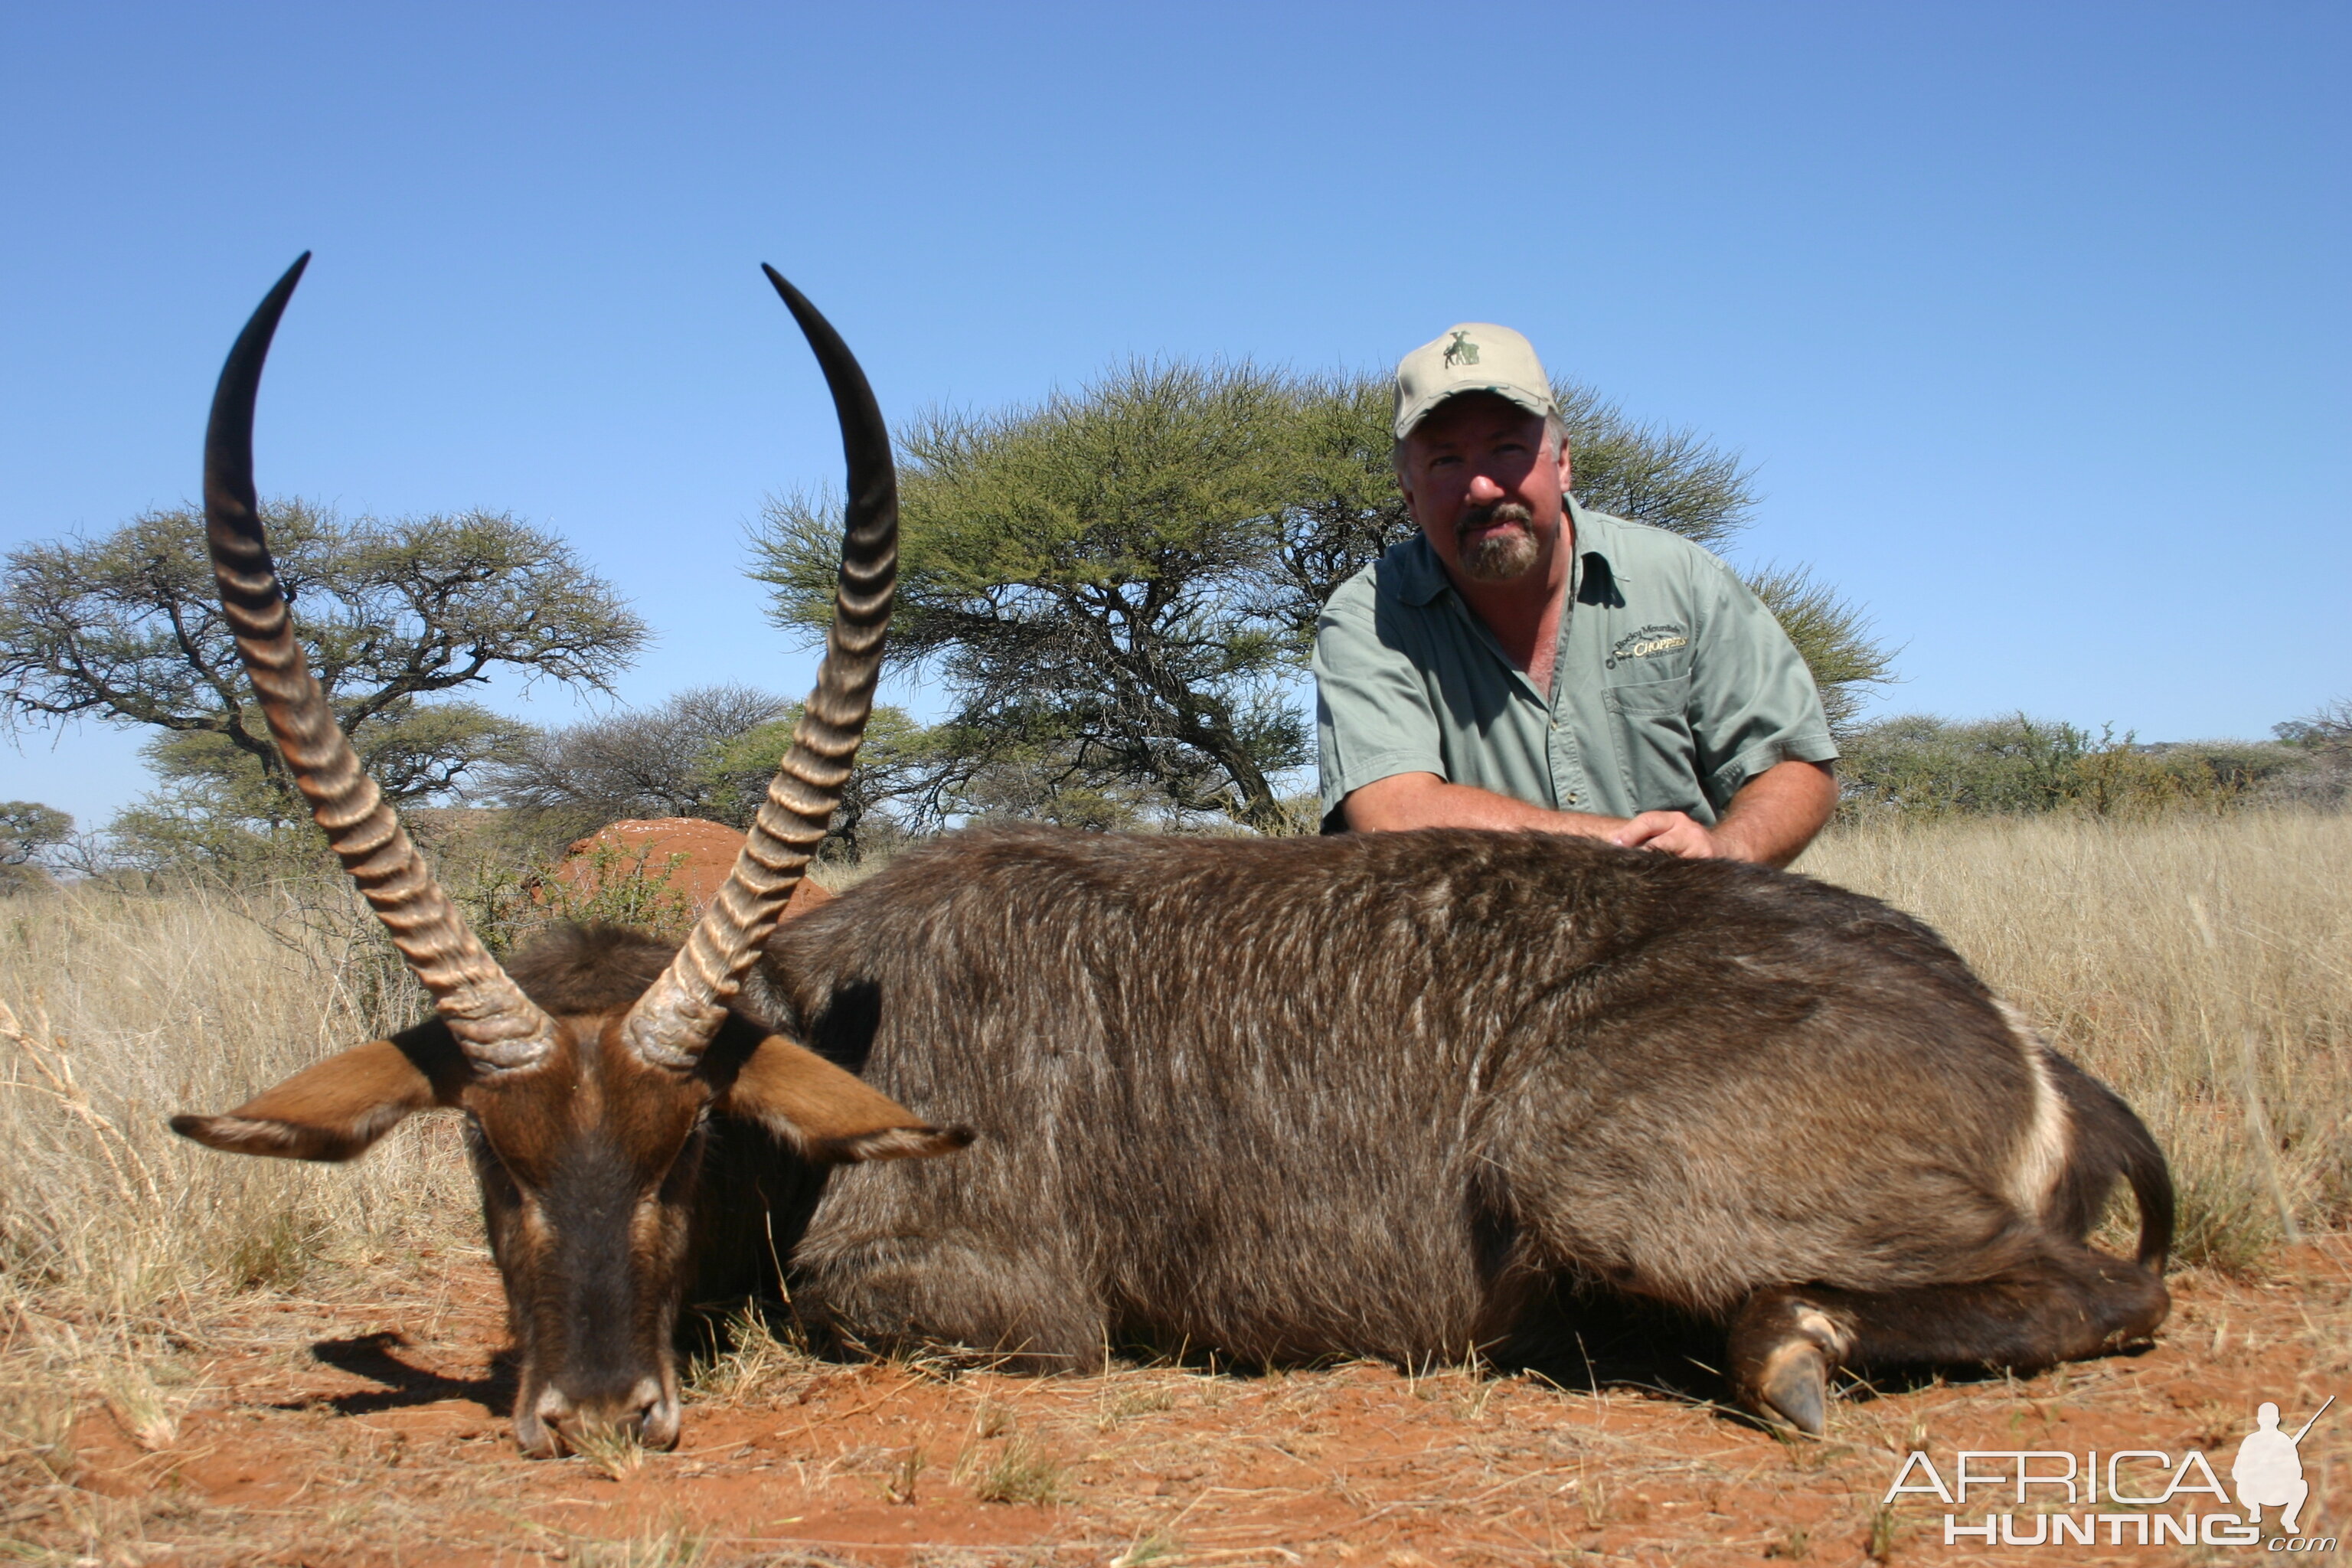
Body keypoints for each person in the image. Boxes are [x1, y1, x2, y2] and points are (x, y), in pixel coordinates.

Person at [1313, 322, 1840, 867]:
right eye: (1446, 461)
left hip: (1686, 921)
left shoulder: (1682, 577)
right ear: (1408, 493)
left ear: (1562, 462)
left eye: (1507, 449)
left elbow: (1792, 765)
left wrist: (1724, 852)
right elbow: (1395, 813)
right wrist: (1644, 856)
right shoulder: (1366, 616)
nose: (1483, 488)